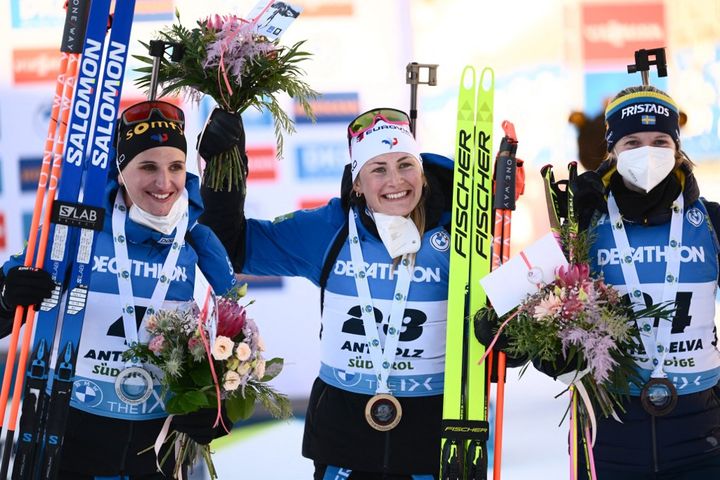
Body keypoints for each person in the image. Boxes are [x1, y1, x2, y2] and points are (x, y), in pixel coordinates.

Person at [199, 107, 456, 479]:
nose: (395, 181)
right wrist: (225, 173)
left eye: (405, 165)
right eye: (378, 169)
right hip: (345, 434)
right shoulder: (330, 229)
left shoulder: (457, 235)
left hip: (428, 435)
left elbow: (498, 317)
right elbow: (233, 246)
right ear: (357, 182)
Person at [0, 100, 236, 479]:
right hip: (71, 441)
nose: (165, 183)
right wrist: (7, 299)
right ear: (121, 170)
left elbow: (236, 343)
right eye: (147, 167)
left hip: (159, 450)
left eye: (176, 167)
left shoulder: (197, 241)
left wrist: (217, 407)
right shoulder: (74, 234)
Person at [551, 85, 720, 479]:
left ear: (677, 148)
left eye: (660, 140)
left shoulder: (709, 222)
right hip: (612, 439)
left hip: (703, 439)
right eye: (632, 142)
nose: (648, 151)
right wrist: (571, 232)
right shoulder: (584, 223)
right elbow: (522, 318)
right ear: (612, 150)